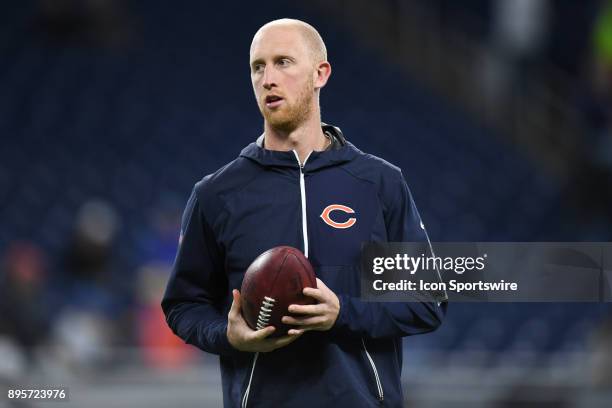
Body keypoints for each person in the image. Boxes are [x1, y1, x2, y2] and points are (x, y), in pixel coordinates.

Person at [162, 18, 446, 408]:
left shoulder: (378, 184)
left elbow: (426, 301)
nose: (268, 79)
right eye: (258, 67)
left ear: (320, 73)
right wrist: (227, 336)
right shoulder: (217, 194)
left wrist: (342, 313)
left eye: (283, 62)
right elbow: (183, 305)